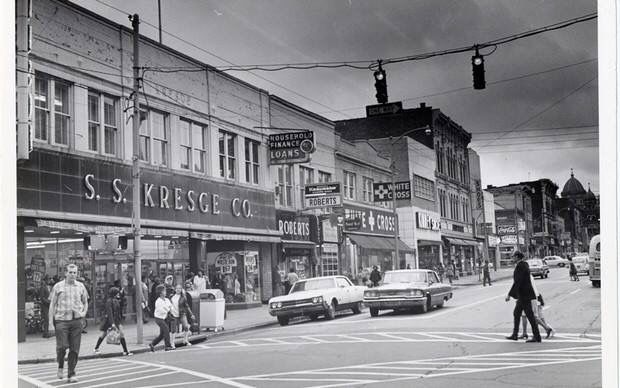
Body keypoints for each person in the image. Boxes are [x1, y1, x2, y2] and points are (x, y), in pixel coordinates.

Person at [48, 264, 89, 383]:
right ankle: (60, 365)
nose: (73, 275)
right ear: (65, 273)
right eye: (70, 272)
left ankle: (71, 374)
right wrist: (51, 323)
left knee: (74, 349)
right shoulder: (57, 286)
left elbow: (85, 302)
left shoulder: (81, 286)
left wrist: (83, 313)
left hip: (76, 322)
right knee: (62, 347)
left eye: (75, 272)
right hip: (61, 321)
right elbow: (52, 305)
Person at [505, 251, 542, 343]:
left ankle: (536, 336)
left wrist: (509, 294)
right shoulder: (524, 265)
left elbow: (518, 281)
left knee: (529, 316)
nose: (512, 258)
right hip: (524, 295)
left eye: (513, 256)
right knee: (517, 313)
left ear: (517, 257)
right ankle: (515, 334)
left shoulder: (520, 266)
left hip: (525, 295)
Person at [94, 287, 133, 355]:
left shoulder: (115, 300)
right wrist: (112, 323)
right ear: (114, 293)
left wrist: (122, 293)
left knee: (121, 334)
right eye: (117, 293)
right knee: (104, 334)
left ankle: (125, 351)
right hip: (110, 321)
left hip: (117, 320)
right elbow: (110, 313)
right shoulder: (109, 301)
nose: (118, 294)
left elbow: (121, 303)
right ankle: (96, 348)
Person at [149, 284, 174, 352]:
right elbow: (162, 309)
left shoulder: (167, 299)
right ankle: (167, 346)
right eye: (164, 291)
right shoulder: (158, 301)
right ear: (160, 293)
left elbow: (171, 306)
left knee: (162, 334)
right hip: (159, 318)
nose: (165, 292)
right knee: (166, 330)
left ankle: (152, 344)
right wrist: (168, 310)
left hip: (164, 318)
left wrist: (170, 310)